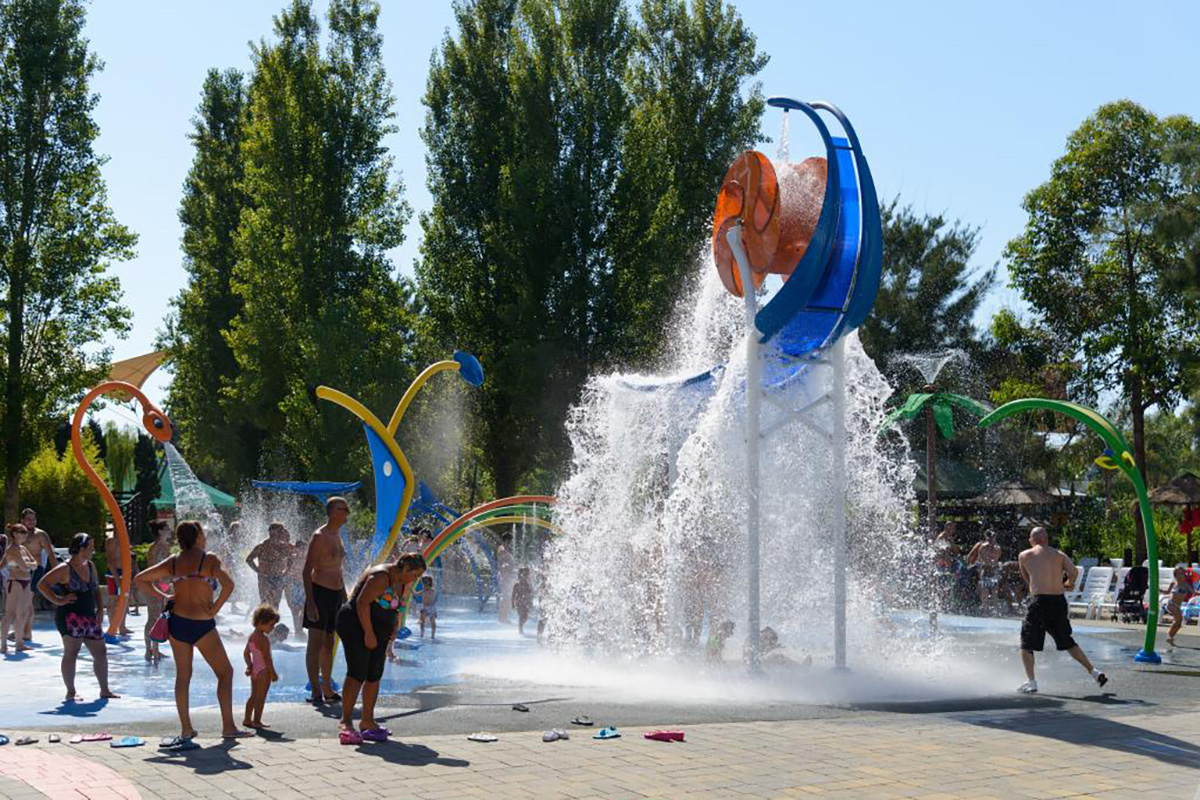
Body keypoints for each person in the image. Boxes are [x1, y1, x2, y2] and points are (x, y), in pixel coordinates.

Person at [135, 520, 250, 742]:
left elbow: (140, 580)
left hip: (178, 624)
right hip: (202, 624)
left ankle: (186, 729)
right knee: (225, 673)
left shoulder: (174, 561)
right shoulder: (210, 559)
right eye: (203, 533)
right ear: (198, 536)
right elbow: (229, 585)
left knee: (183, 677)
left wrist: (165, 596)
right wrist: (215, 608)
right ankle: (228, 727)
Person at [336, 553, 426, 742]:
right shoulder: (381, 577)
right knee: (357, 672)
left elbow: (397, 607)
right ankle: (346, 722)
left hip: (378, 628)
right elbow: (361, 603)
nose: (415, 580)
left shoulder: (402, 580)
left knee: (374, 673)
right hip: (355, 624)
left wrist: (394, 627)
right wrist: (368, 633)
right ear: (406, 568)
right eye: (415, 575)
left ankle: (367, 721)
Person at [1016, 527, 1108, 694]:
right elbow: (1074, 572)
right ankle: (1094, 672)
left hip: (1038, 601)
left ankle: (1032, 682)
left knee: (1026, 642)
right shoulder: (1059, 555)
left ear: (1032, 540)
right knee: (1067, 640)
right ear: (1046, 539)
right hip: (1058, 601)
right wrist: (1068, 584)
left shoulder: (1024, 556)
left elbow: (1028, 579)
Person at [37, 533, 118, 701]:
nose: (94, 550)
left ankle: (104, 689)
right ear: (81, 549)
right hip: (70, 616)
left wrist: (100, 609)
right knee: (72, 652)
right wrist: (59, 600)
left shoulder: (90, 566)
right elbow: (42, 584)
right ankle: (71, 691)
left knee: (101, 651)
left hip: (88, 615)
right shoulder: (65, 568)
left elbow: (95, 589)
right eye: (91, 547)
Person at [304, 497, 349, 705]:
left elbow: (338, 568)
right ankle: (315, 689)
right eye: (343, 509)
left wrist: (345, 596)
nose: (347, 512)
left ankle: (327, 687)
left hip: (336, 594)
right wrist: (311, 602)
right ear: (332, 512)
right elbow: (307, 571)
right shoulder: (319, 537)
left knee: (329, 641)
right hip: (320, 593)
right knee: (315, 642)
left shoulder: (338, 534)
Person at [243, 604, 281, 730]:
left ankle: (247, 719)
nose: (273, 628)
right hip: (264, 671)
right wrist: (273, 673)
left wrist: (249, 666)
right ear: (260, 622)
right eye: (271, 625)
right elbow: (267, 659)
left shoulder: (252, 637)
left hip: (255, 671)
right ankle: (257, 721)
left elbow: (246, 653)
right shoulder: (263, 639)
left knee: (253, 695)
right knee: (261, 697)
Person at [1, 524, 37, 653]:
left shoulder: (22, 549)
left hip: (24, 583)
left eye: (25, 532)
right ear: (15, 534)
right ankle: (7, 644)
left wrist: (26, 565)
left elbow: (34, 564)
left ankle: (16, 643)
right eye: (22, 532)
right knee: (13, 614)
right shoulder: (12, 550)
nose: (25, 534)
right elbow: (25, 567)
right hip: (16, 583)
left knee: (22, 613)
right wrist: (26, 565)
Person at [143, 521, 173, 662]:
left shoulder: (166, 546)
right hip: (154, 586)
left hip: (165, 585)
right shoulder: (153, 549)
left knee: (161, 617)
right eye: (167, 528)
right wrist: (156, 588)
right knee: (152, 617)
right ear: (160, 531)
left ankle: (156, 649)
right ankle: (148, 649)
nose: (170, 530)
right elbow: (150, 571)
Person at [20, 508, 53, 631]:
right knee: (24, 601)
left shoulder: (40, 535)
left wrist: (57, 572)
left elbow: (51, 555)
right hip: (21, 571)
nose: (31, 522)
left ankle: (26, 632)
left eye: (33, 519)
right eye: (28, 519)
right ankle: (24, 630)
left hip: (35, 570)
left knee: (27, 600)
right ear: (22, 520)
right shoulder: (18, 534)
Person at [246, 523, 292, 609]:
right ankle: (264, 621)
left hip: (278, 577)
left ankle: (272, 622)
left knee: (275, 604)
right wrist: (258, 571)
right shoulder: (262, 547)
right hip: (265, 578)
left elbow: (291, 559)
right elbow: (249, 559)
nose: (283, 533)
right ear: (272, 532)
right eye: (280, 531)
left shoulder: (283, 547)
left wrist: (286, 571)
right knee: (265, 603)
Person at [103, 527, 133, 637]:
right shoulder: (111, 541)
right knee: (113, 600)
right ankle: (113, 626)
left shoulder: (124, 540)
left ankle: (122, 627)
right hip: (113, 573)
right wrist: (116, 578)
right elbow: (110, 561)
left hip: (124, 572)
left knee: (124, 599)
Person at [967, 530, 1003, 613]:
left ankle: (995, 609)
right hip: (985, 569)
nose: (992, 540)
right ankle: (985, 608)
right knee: (985, 590)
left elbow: (996, 559)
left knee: (995, 590)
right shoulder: (983, 547)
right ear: (987, 538)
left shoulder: (997, 548)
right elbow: (983, 559)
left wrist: (992, 563)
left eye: (993, 538)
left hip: (993, 569)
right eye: (990, 538)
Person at [1166, 565, 1200, 646]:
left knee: (1179, 623)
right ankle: (1169, 635)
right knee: (1178, 620)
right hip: (1171, 604)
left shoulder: (1186, 585)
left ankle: (1171, 636)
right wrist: (1159, 590)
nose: (1180, 576)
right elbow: (1167, 592)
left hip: (1178, 605)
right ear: (1175, 575)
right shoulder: (1173, 583)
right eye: (1178, 574)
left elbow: (1194, 592)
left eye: (1182, 574)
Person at [284, 536, 309, 639]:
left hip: (304, 585)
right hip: (294, 585)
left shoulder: (308, 559)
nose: (302, 551)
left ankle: (300, 630)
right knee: (295, 610)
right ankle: (297, 631)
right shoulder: (291, 559)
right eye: (300, 549)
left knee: (303, 610)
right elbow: (286, 573)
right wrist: (286, 587)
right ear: (296, 549)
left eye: (304, 549)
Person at [496, 541, 515, 623]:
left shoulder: (504, 552)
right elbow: (501, 566)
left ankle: (504, 617)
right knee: (506, 598)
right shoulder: (502, 552)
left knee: (507, 598)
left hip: (507, 578)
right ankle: (502, 617)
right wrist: (506, 567)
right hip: (505, 578)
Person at [512, 567, 534, 635]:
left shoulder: (529, 584)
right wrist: (512, 604)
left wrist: (531, 602)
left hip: (526, 601)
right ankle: (520, 628)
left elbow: (531, 593)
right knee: (522, 615)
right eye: (524, 574)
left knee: (526, 616)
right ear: (520, 575)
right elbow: (513, 594)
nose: (526, 576)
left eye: (527, 574)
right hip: (519, 601)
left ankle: (521, 626)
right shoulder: (517, 584)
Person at [418, 575, 438, 639]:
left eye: (424, 585)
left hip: (431, 607)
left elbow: (433, 597)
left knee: (433, 621)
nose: (424, 586)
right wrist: (410, 589)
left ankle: (433, 635)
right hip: (425, 607)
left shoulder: (432, 591)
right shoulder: (423, 591)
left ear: (428, 584)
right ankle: (422, 632)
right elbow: (415, 594)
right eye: (423, 585)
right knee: (422, 620)